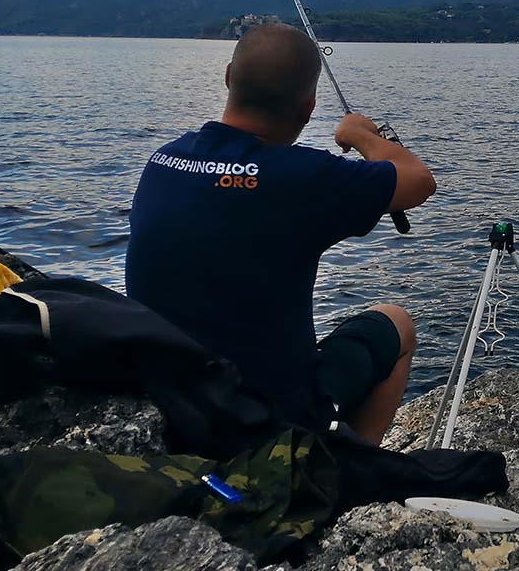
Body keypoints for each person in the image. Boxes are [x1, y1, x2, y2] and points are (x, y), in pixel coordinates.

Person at [125, 24, 436, 445]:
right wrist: (360, 134)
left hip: (173, 402)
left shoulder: (164, 161)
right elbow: (418, 180)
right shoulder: (302, 179)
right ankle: (348, 472)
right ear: (308, 107)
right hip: (268, 420)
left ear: (229, 77)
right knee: (397, 324)